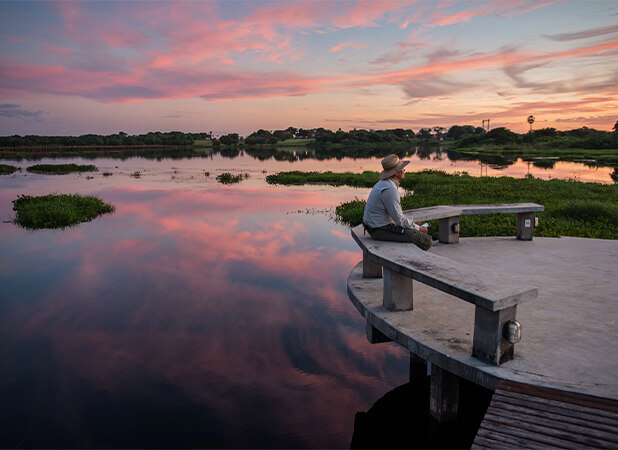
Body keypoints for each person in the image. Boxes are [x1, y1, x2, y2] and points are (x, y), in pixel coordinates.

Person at [362, 154, 432, 251]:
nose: (404, 170)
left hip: (375, 227)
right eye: (402, 168)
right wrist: (418, 228)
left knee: (414, 232)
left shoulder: (383, 184)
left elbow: (396, 217)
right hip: (379, 230)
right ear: (395, 173)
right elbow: (399, 220)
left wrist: (413, 225)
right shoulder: (390, 189)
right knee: (425, 241)